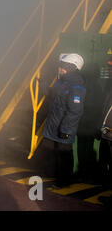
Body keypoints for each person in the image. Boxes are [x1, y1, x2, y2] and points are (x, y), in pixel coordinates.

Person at [41, 53, 86, 188]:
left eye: (63, 66)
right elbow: (53, 97)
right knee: (49, 149)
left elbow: (75, 111)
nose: (60, 68)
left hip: (64, 127)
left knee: (64, 154)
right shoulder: (62, 81)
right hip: (53, 125)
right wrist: (43, 86)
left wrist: (66, 130)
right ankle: (50, 175)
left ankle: (64, 182)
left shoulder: (77, 86)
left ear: (72, 67)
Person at [97, 57, 112, 206]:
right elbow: (106, 109)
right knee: (105, 160)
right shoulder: (110, 84)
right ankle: (107, 185)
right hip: (107, 131)